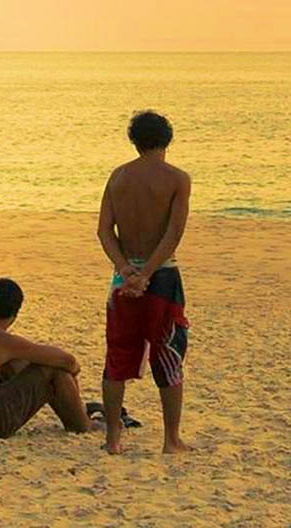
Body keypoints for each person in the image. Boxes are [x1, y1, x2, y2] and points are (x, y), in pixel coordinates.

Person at [96, 109, 193, 454]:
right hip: (162, 276)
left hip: (122, 280)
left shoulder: (118, 177)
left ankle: (112, 439)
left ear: (134, 141)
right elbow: (173, 233)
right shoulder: (177, 179)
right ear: (167, 139)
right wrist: (148, 273)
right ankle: (171, 439)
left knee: (117, 356)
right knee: (168, 355)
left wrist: (126, 270)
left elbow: (104, 230)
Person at [0, 278, 93, 440]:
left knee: (18, 364)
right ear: (15, 313)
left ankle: (77, 415)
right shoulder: (0, 339)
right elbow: (67, 361)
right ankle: (83, 424)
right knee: (54, 369)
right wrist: (73, 373)